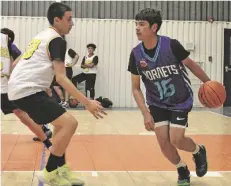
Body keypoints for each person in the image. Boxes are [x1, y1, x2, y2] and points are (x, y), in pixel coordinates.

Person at [8, 3, 106, 186]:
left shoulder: (41, 36)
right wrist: (87, 103)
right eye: (69, 19)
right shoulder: (57, 40)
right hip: (27, 90)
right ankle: (50, 172)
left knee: (61, 127)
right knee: (71, 123)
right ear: (57, 20)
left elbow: (20, 63)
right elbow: (61, 78)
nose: (72, 23)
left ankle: (61, 172)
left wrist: (43, 82)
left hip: (23, 88)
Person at [128, 8, 209, 186]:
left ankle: (198, 151)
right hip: (156, 102)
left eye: (142, 24)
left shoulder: (171, 45)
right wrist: (145, 113)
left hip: (180, 99)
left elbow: (192, 65)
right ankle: (182, 169)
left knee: (176, 139)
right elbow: (135, 88)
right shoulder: (135, 54)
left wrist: (208, 83)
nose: (137, 28)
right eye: (136, 24)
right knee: (163, 142)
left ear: (154, 27)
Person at [0, 29, 52, 149]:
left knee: (22, 114)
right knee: (22, 113)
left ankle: (45, 132)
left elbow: (21, 58)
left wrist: (10, 70)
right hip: (7, 87)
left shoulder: (11, 48)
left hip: (8, 87)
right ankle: (43, 130)